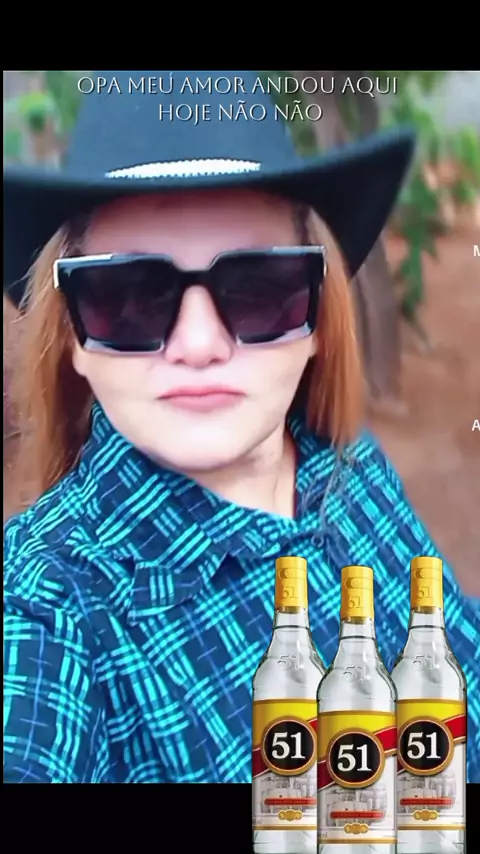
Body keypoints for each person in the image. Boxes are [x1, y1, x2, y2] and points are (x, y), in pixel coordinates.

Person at [3, 70, 479, 784]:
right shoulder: (50, 607)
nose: (199, 345)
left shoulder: (350, 467)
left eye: (260, 288)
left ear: (317, 320)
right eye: (128, 294)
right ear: (71, 337)